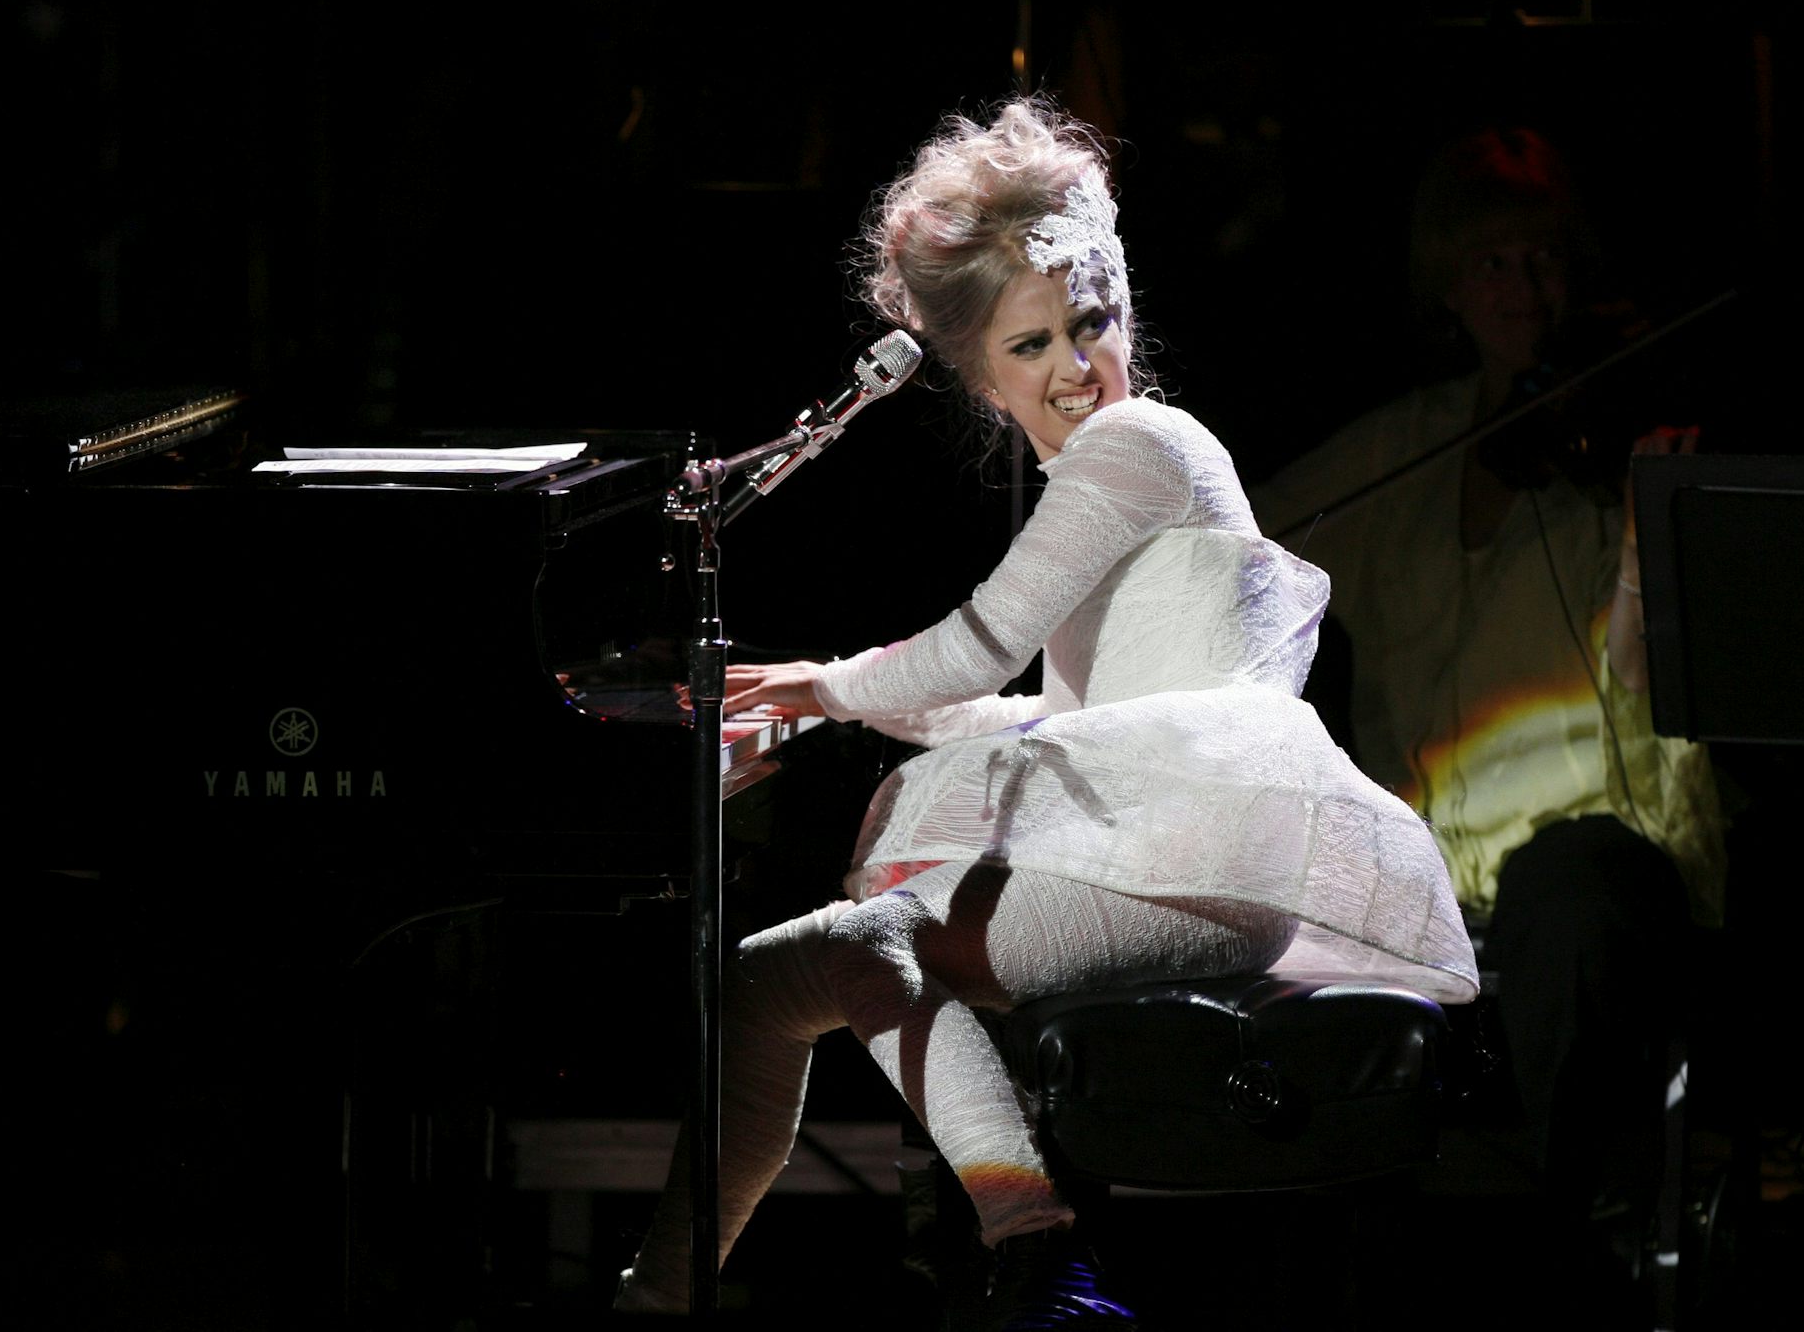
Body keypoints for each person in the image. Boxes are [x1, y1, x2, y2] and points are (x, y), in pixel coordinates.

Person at [613, 97, 1478, 1324]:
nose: (1076, 366)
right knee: (775, 979)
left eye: (1094, 324)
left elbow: (977, 645)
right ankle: (669, 1291)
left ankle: (1036, 1249)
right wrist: (818, 706)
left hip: (1194, 873)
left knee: (856, 946)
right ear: (977, 374)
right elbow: (1031, 718)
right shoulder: (1102, 475)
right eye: (1033, 346)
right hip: (1164, 854)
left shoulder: (1141, 441)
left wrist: (824, 686)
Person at [1252, 127, 1726, 1316]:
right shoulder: (1409, 444)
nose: (1523, 290)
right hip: (1416, 864)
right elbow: (1241, 549)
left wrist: (1641, 512)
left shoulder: (1627, 428)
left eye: (1542, 261)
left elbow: (1646, 672)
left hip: (1599, 852)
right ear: (1450, 289)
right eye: (1493, 266)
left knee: (1574, 892)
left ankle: (1578, 1254)